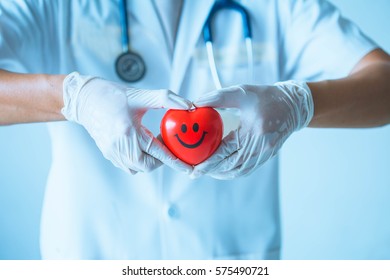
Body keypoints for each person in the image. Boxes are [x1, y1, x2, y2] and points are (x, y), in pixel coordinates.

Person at [0, 0, 389, 259]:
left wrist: (300, 103)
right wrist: (72, 97)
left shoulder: (279, 5)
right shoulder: (52, 5)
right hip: (91, 256)